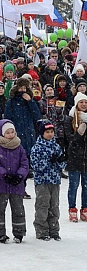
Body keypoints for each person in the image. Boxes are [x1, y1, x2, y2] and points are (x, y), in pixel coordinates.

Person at [0, 119, 29, 244]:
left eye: (12, 132)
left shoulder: (19, 146)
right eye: (8, 132)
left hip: (17, 185)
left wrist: (19, 176)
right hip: (1, 184)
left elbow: (25, 164)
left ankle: (19, 232)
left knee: (18, 209)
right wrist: (4, 175)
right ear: (2, 133)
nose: (11, 134)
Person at [30, 120, 66, 241]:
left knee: (54, 206)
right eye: (47, 132)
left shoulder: (56, 146)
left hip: (55, 180)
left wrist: (61, 160)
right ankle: (41, 230)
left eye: (51, 132)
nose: (50, 134)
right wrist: (49, 161)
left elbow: (62, 165)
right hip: (42, 181)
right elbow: (36, 166)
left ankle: (54, 230)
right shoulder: (37, 148)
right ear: (41, 133)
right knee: (42, 205)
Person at [65, 91, 87, 222]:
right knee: (73, 186)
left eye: (85, 102)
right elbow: (70, 139)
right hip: (74, 157)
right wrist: (79, 133)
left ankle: (85, 208)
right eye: (81, 102)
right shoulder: (70, 118)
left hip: (86, 158)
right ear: (77, 103)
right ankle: (72, 208)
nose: (84, 104)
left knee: (86, 186)